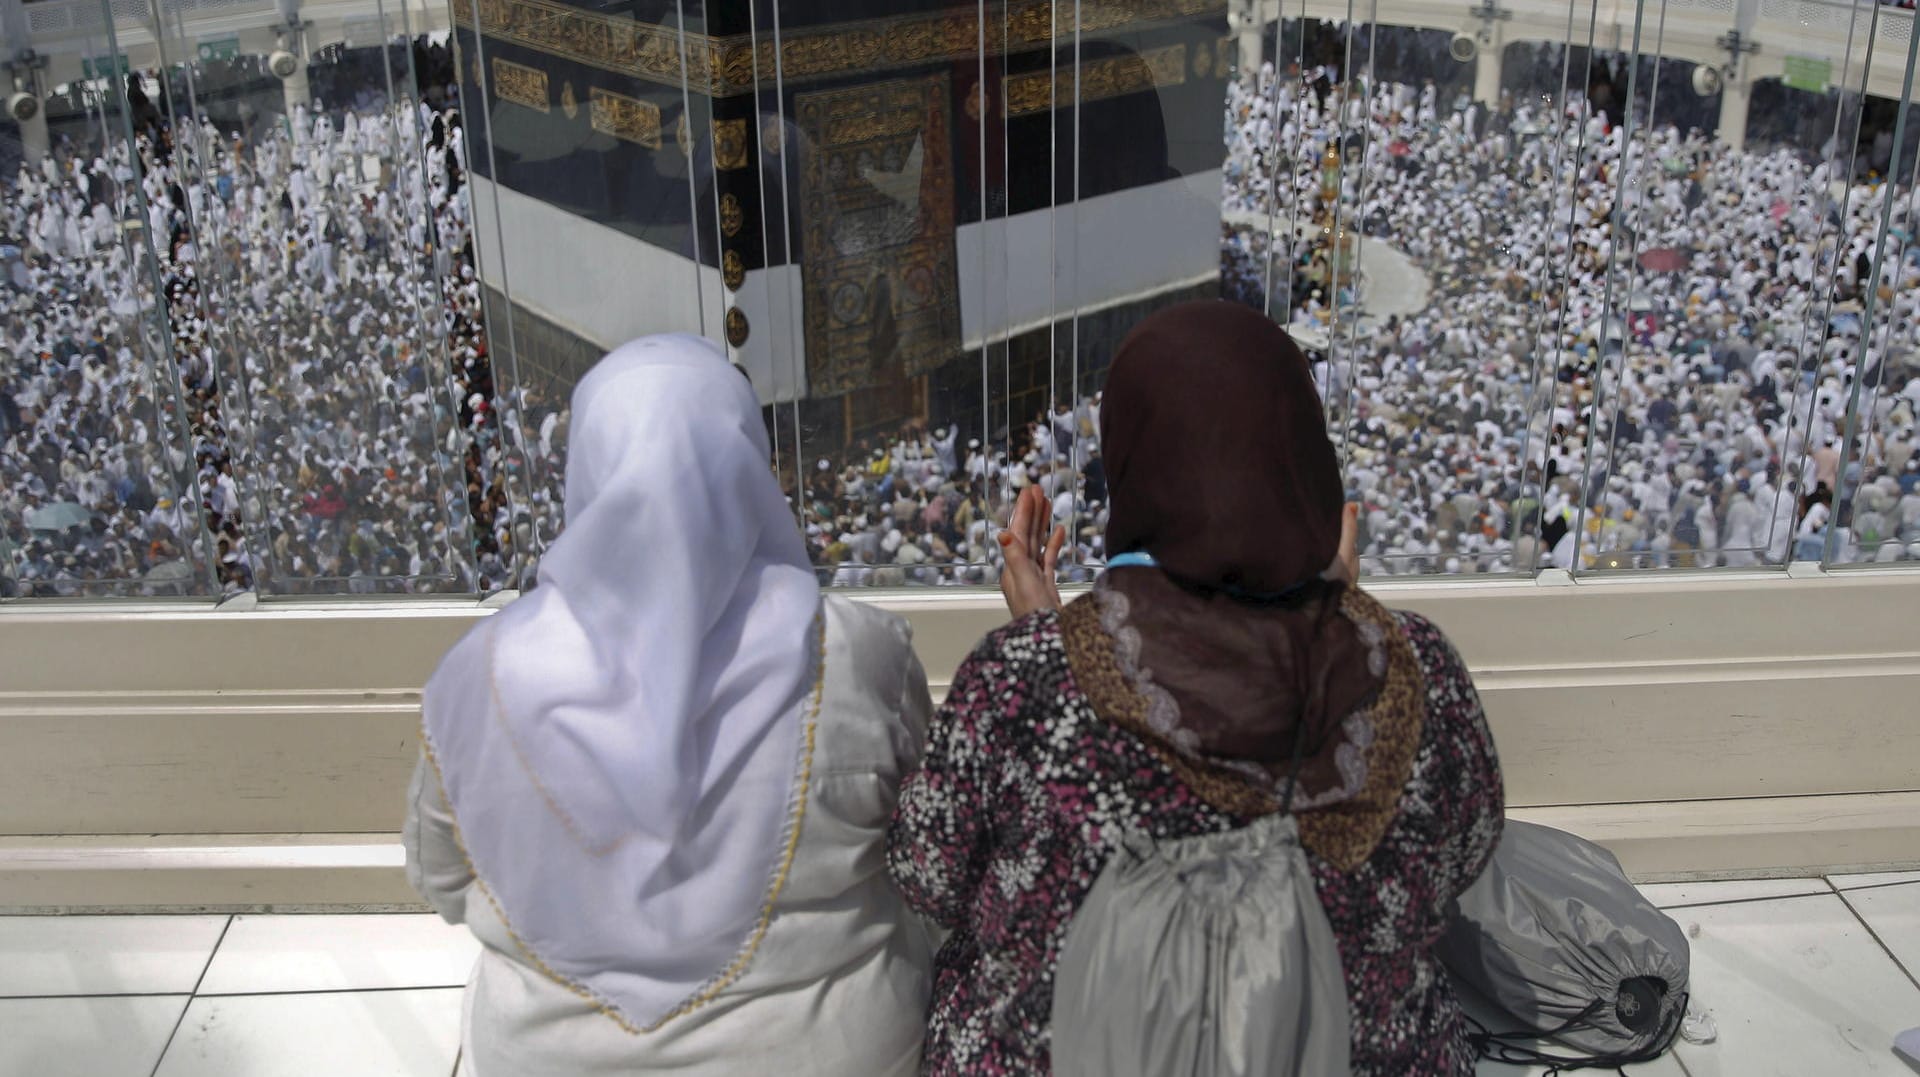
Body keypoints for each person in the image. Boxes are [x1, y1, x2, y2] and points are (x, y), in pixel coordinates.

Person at [888, 301, 1505, 1075]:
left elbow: (927, 871)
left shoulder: (1021, 679)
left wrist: (1042, 635)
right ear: (1303, 462)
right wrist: (1333, 617)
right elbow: (1466, 853)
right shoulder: (1417, 668)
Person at [405, 334, 934, 1076]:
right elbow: (927, 847)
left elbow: (444, 877)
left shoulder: (475, 679)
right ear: (747, 463)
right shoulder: (858, 653)